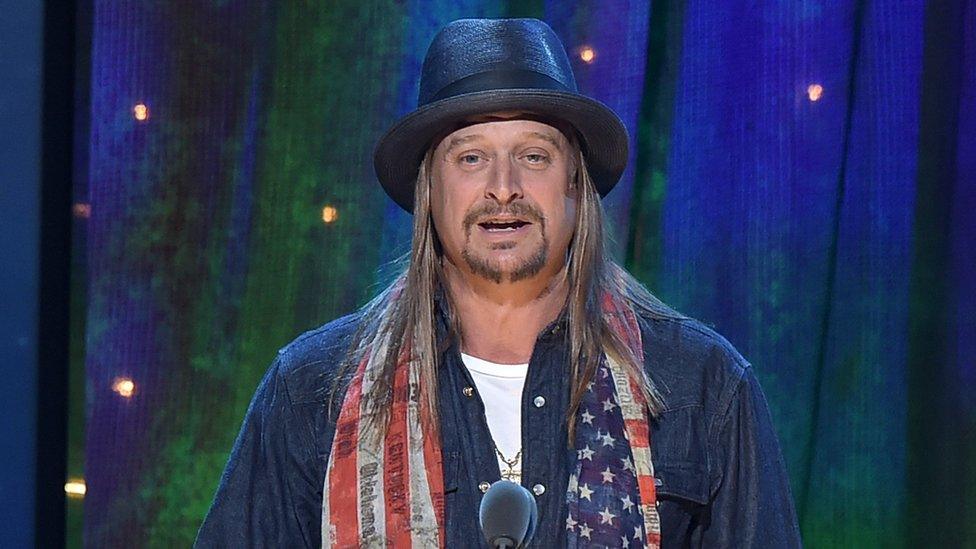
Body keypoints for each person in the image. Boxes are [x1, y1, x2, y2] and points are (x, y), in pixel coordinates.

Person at [196, 18, 801, 548]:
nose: (503, 186)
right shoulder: (312, 389)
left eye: (534, 156)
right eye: (470, 157)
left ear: (574, 187)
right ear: (429, 191)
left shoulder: (702, 385)